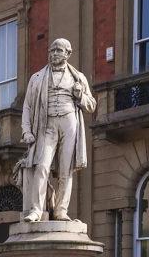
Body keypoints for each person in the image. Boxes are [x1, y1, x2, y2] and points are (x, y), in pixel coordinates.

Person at [21, 38, 96, 223]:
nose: (54, 54)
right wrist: (26, 131)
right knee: (42, 166)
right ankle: (36, 210)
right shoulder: (37, 78)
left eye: (59, 50)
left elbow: (91, 106)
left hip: (69, 122)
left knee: (66, 169)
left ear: (68, 54)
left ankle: (61, 210)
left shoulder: (78, 77)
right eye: (52, 50)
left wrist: (80, 95)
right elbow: (27, 107)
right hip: (47, 125)